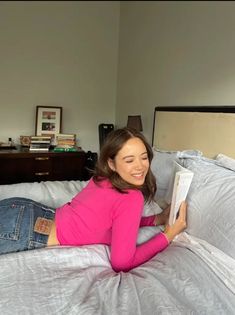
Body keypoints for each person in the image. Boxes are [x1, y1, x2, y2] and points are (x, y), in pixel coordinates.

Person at [0, 127, 187, 272]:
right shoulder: (132, 198)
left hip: (24, 209)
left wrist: (156, 219)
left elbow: (117, 222)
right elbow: (121, 263)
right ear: (111, 163)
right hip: (24, 228)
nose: (140, 167)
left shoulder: (101, 178)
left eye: (144, 158)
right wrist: (168, 235)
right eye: (129, 160)